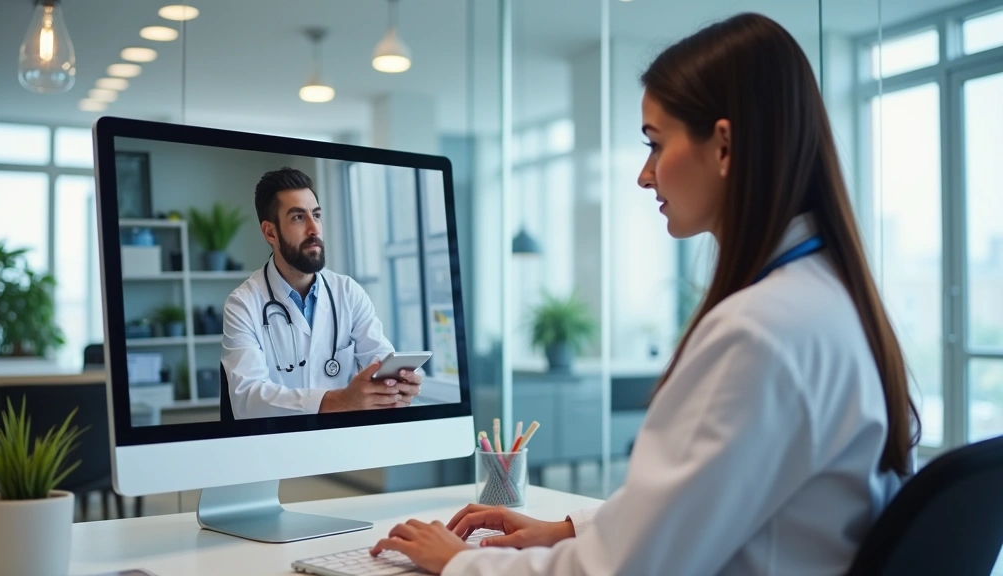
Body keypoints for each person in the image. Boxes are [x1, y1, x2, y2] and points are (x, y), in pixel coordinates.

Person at [368, 12, 920, 575]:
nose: (644, 174)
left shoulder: (758, 332)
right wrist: (569, 529)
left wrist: (460, 562)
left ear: (723, 146)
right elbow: (701, 503)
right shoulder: (830, 300)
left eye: (655, 144)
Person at [221, 167, 422, 419]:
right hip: (280, 441)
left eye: (316, 215)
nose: (314, 229)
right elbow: (248, 399)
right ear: (270, 232)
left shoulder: (348, 292)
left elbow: (380, 359)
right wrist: (340, 400)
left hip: (344, 438)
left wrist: (399, 382)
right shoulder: (243, 304)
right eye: (298, 217)